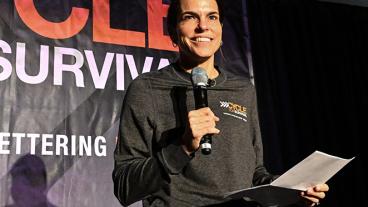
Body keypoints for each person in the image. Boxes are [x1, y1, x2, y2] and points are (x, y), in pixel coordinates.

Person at [113, 0, 329, 206]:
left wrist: (293, 192)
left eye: (212, 17)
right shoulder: (147, 89)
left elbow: (254, 175)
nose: (203, 26)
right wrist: (182, 147)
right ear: (173, 31)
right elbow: (124, 187)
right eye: (190, 17)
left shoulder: (242, 90)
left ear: (221, 29)